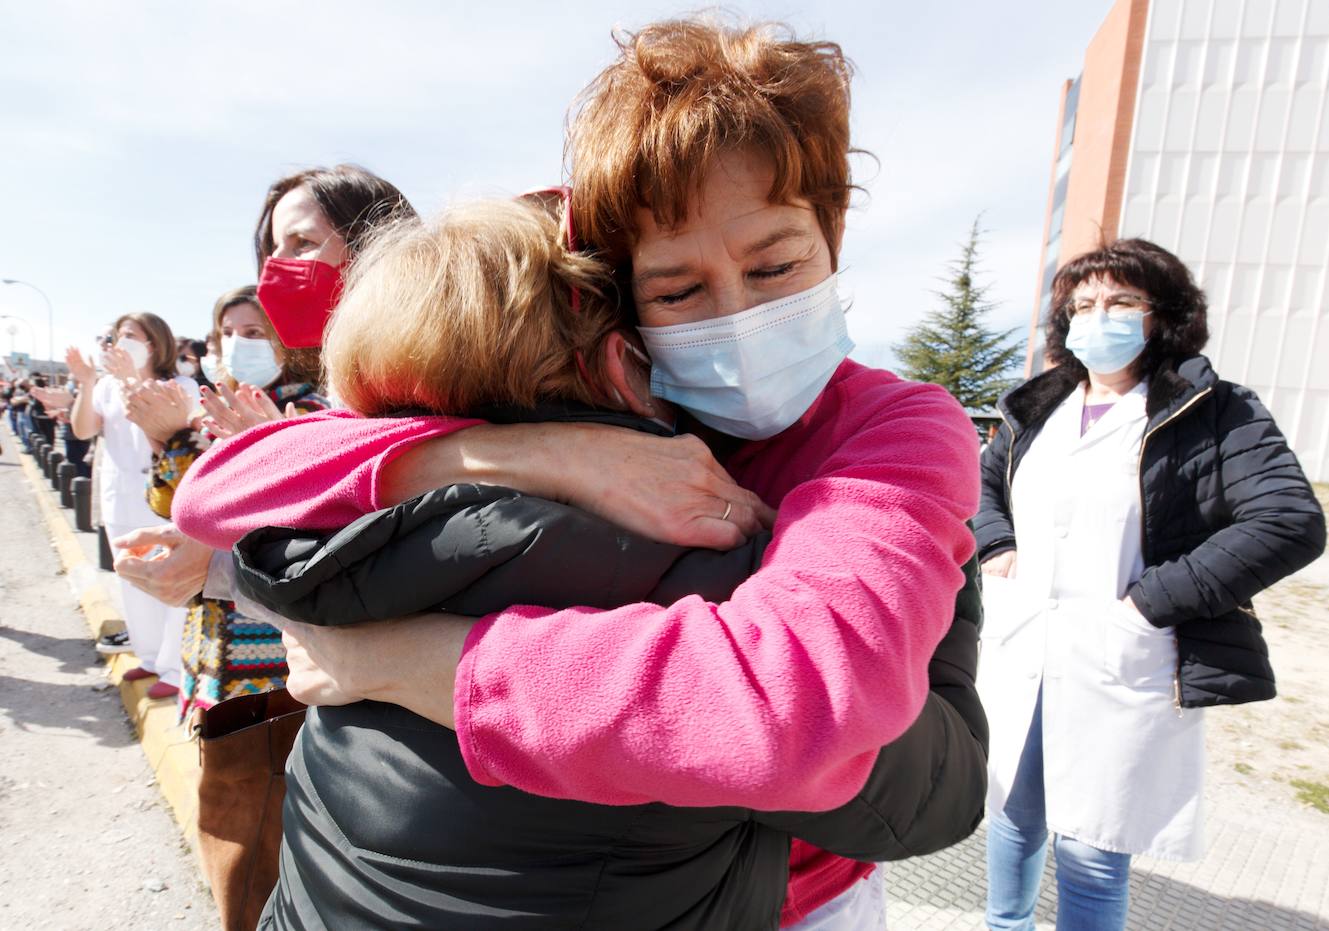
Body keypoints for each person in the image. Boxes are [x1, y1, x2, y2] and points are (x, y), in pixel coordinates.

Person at [177, 19, 982, 929]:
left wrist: (405, 661)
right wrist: (542, 453)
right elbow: (220, 487)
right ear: (623, 310)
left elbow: (790, 708)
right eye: (678, 289)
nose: (738, 315)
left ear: (833, 242)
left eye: (776, 264)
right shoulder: (615, 393)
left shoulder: (895, 428)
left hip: (809, 900)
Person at [974, 238, 1326, 930]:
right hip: (1026, 647)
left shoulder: (1213, 409)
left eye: (1120, 301)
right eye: (1082, 304)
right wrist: (996, 545)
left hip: (1123, 656)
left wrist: (1152, 600)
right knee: (1013, 811)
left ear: (1163, 314)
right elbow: (986, 485)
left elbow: (1289, 520)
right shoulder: (1036, 408)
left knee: (1094, 847)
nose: (1096, 316)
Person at [112, 164, 414, 610]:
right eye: (273, 248)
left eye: (303, 243)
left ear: (378, 246)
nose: (277, 266)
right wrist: (167, 441)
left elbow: (397, 553)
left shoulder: (412, 386)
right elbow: (172, 505)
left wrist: (278, 476)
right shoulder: (337, 391)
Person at [122, 286, 327, 716]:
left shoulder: (311, 411)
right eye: (227, 332)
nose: (237, 343)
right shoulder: (211, 406)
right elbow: (169, 505)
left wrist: (182, 439)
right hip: (209, 627)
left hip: (269, 640)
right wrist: (163, 439)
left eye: (253, 331)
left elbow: (236, 515)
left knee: (254, 766)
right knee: (216, 754)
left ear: (283, 340)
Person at [68, 312, 199, 698]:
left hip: (161, 498)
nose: (116, 342)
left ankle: (175, 668)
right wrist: (87, 382)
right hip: (118, 496)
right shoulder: (107, 386)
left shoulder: (181, 385)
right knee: (131, 577)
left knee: (170, 581)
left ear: (153, 344)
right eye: (115, 335)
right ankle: (149, 655)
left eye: (127, 336)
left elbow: (152, 421)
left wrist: (129, 378)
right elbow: (82, 429)